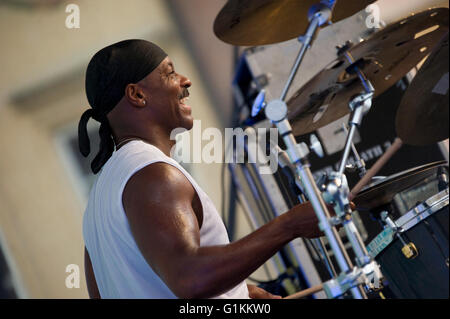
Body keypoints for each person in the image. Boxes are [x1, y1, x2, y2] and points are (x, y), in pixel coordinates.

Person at [79, 39, 324, 299]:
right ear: (138, 95)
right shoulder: (152, 173)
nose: (185, 81)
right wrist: (289, 225)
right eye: (170, 73)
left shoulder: (98, 201)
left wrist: (239, 294)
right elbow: (190, 279)